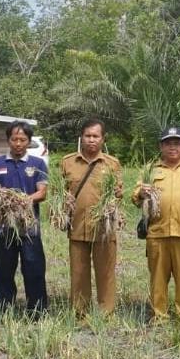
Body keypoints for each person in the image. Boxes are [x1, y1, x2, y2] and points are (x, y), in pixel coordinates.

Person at [133, 126, 180, 321]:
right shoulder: (150, 170)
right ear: (161, 146)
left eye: (177, 143)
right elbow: (135, 197)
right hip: (157, 233)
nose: (172, 147)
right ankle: (159, 316)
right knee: (158, 279)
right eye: (168, 143)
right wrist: (141, 192)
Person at [60, 118, 124, 317]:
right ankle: (80, 313)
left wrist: (113, 205)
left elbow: (119, 194)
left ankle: (106, 314)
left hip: (104, 229)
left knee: (105, 273)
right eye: (87, 136)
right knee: (78, 274)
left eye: (96, 136)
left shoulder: (112, 164)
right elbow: (60, 192)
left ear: (103, 139)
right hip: (77, 227)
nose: (91, 140)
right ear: (81, 137)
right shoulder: (68, 162)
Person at [0, 120, 49, 317]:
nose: (18, 143)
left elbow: (43, 192)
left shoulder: (37, 164)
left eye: (23, 139)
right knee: (4, 270)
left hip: (29, 227)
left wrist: (23, 200)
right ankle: (3, 311)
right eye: (14, 139)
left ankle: (37, 312)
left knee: (34, 269)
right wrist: (2, 198)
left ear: (29, 142)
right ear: (8, 140)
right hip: (5, 227)